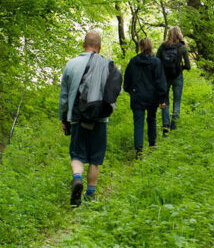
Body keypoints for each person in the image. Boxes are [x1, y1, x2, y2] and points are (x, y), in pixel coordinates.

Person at [59, 31, 122, 207]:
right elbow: (115, 92)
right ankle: (90, 195)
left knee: (77, 154)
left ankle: (77, 179)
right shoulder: (107, 64)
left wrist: (64, 118)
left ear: (83, 45)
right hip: (99, 119)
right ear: (99, 47)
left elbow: (64, 97)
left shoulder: (71, 64)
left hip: (78, 117)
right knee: (95, 158)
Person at [124, 38, 167, 159]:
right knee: (152, 120)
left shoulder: (133, 62)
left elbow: (126, 81)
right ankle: (152, 146)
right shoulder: (156, 62)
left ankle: (139, 150)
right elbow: (160, 81)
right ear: (151, 47)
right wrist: (162, 98)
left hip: (137, 96)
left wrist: (131, 91)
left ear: (140, 47)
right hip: (152, 97)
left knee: (138, 123)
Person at [157, 26, 191, 136]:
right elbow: (188, 66)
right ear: (179, 34)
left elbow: (157, 61)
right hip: (177, 77)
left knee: (165, 101)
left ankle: (165, 126)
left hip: (164, 77)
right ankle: (174, 127)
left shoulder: (163, 46)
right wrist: (181, 68)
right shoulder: (182, 47)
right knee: (177, 102)